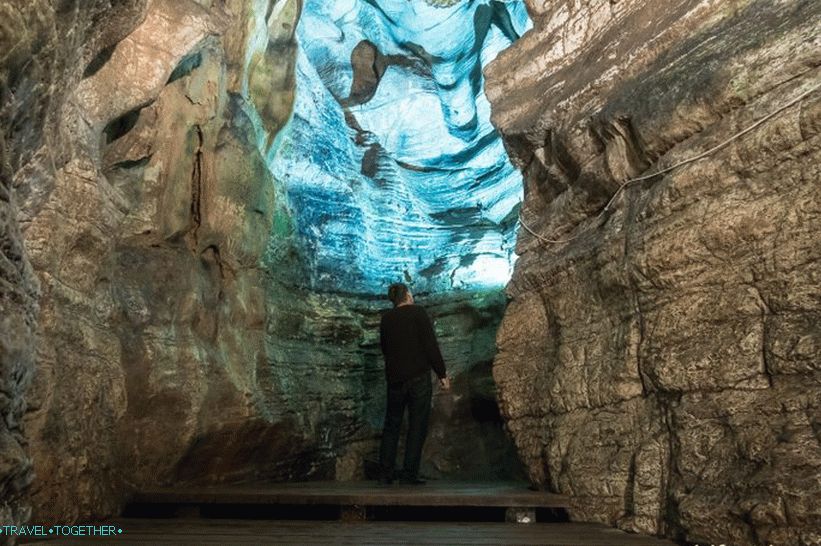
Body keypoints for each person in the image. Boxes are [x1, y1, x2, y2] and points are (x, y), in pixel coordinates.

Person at [377, 282, 450, 485]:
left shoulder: (386, 319)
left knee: (392, 425)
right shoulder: (418, 313)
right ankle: (409, 474)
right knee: (417, 426)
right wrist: (442, 374)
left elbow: (385, 349)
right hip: (418, 377)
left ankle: (385, 473)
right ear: (408, 295)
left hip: (394, 380)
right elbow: (430, 345)